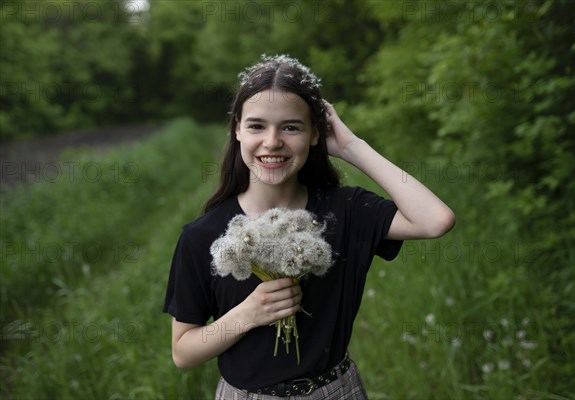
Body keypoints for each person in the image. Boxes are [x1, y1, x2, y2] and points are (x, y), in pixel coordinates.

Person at [163, 54, 455, 399]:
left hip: (334, 391)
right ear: (237, 130)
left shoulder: (344, 210)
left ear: (315, 134)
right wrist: (247, 314)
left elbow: (436, 220)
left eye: (291, 127)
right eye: (257, 126)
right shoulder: (202, 236)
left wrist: (351, 147)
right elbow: (183, 351)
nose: (272, 142)